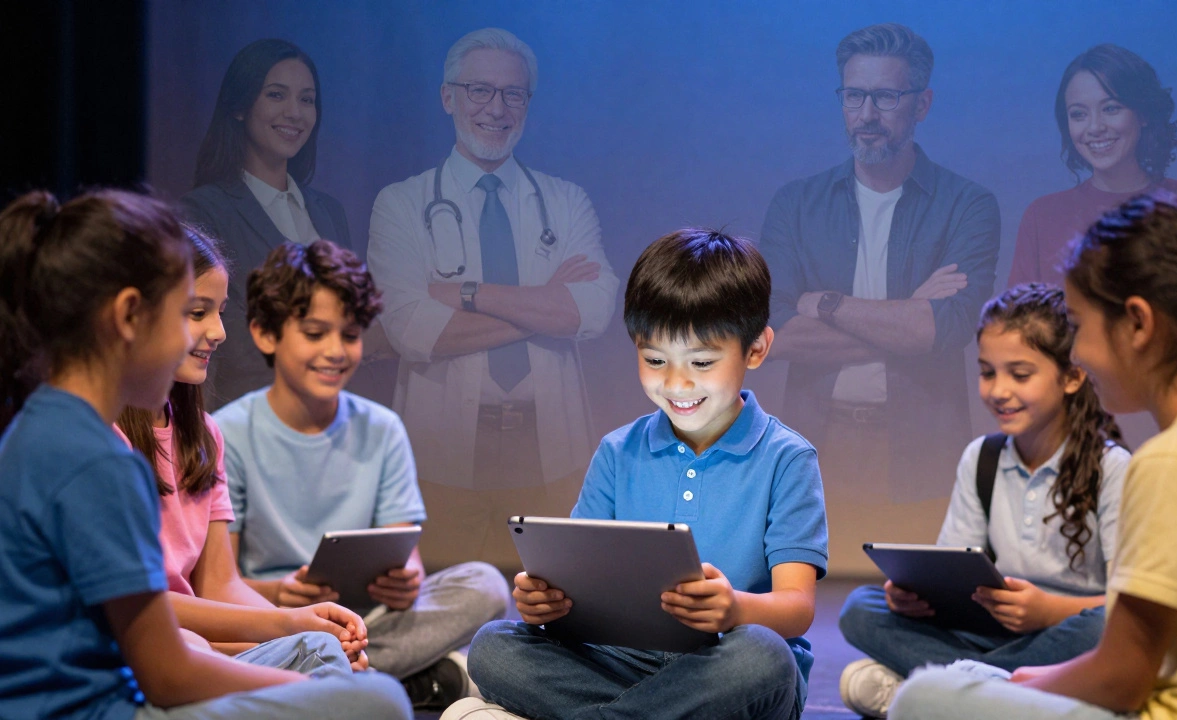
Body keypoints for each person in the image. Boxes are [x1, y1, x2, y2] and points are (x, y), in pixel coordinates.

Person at [0, 189, 411, 719]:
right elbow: (166, 672)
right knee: (378, 701)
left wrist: (294, 635)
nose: (211, 336)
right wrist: (303, 685)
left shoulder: (45, 428)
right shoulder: (96, 458)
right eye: (185, 315)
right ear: (129, 315)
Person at [889, 195, 1177, 719]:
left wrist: (1019, 684)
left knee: (922, 698)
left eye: (1079, 325)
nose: (1080, 352)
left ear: (1137, 324)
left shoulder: (1173, 461)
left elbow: (1122, 675)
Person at [445, 229, 828, 720]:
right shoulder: (617, 451)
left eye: (702, 362)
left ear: (756, 349)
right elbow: (577, 580)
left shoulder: (787, 458)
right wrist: (545, 601)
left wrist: (734, 609)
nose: (676, 383)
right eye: (654, 360)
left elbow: (796, 608)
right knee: (493, 646)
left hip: (724, 668)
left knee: (764, 656)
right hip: (620, 662)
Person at [212, 239, 509, 710]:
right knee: (232, 638)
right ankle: (395, 678)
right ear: (266, 334)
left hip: (365, 619)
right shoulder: (226, 433)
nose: (335, 351)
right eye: (315, 333)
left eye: (349, 335)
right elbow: (216, 584)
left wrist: (405, 579)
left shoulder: (381, 428)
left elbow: (403, 551)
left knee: (486, 585)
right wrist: (282, 592)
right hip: (272, 620)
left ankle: (343, 674)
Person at [367, 27, 619, 572]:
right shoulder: (401, 204)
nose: (497, 109)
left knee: (556, 616)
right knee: (442, 615)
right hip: (443, 461)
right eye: (480, 90)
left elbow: (595, 311)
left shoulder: (566, 200)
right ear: (448, 97)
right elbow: (411, 330)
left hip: (551, 456)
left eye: (514, 94)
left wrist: (466, 295)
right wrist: (546, 308)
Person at [759, 22, 1000, 574]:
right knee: (806, 614)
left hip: (922, 452)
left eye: (886, 96)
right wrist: (905, 313)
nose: (867, 113)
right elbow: (775, 335)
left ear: (922, 104)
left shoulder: (968, 205)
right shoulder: (795, 205)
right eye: (854, 95)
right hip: (816, 451)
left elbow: (942, 330)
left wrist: (825, 303)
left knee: (918, 615)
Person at [836, 283, 1130, 717]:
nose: (998, 390)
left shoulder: (1113, 467)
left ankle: (939, 692)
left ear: (1071, 376)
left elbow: (1130, 603)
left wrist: (1050, 610)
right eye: (988, 372)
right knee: (861, 608)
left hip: (1067, 632)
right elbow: (954, 567)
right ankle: (995, 692)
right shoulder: (981, 457)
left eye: (1020, 374)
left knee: (1105, 628)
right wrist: (915, 596)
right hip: (989, 629)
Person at [115, 226, 369, 673]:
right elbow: (135, 602)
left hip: (203, 646)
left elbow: (218, 581)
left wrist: (302, 627)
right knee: (335, 670)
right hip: (143, 651)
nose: (218, 332)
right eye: (197, 312)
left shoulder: (204, 434)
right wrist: (287, 625)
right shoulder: (103, 435)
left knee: (331, 657)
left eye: (219, 313)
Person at [182, 39, 354, 410]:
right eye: (277, 95)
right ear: (240, 106)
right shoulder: (203, 212)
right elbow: (229, 342)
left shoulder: (330, 212)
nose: (295, 112)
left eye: (307, 100)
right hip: (247, 426)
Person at [1007, 44, 1177, 288]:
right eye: (1078, 114)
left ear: (1144, 114)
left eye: (1111, 108)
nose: (1094, 127)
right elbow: (1017, 322)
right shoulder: (1041, 217)